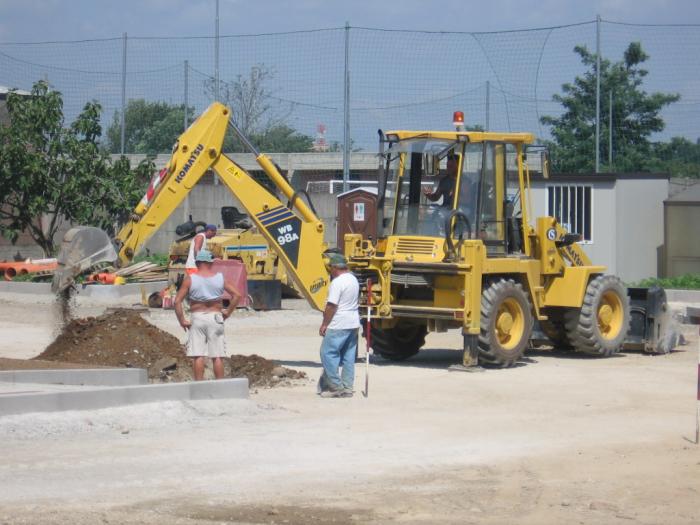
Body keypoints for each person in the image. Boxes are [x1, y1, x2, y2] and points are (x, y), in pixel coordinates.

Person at [175, 249, 242, 381]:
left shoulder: (190, 279)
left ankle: (199, 385)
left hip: (197, 317)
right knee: (217, 355)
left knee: (198, 354)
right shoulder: (220, 278)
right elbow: (237, 295)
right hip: (215, 317)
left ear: (197, 262)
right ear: (210, 263)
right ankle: (220, 385)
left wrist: (182, 320)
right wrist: (228, 312)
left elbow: (177, 301)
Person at [317, 253, 360, 398]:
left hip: (339, 323)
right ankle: (348, 388)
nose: (329, 271)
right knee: (348, 356)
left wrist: (324, 324)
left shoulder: (337, 282)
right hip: (353, 322)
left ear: (335, 267)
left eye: (330, 268)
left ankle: (336, 387)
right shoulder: (353, 280)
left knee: (327, 353)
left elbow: (331, 306)